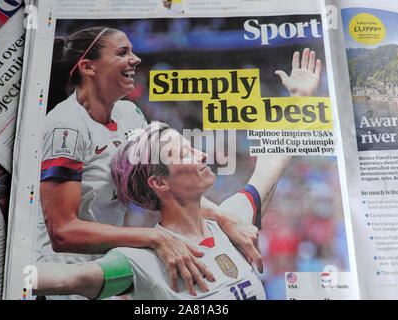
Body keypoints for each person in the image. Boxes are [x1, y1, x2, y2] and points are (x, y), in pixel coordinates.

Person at [38, 26, 272, 298]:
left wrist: (223, 216)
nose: (136, 59)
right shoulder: (65, 128)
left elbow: (167, 181)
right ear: (89, 68)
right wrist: (155, 237)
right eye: (123, 52)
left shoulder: (130, 114)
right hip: (63, 278)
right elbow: (62, 232)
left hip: (113, 269)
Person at [33, 122, 292, 299]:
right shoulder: (141, 260)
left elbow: (271, 164)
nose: (202, 155)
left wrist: (300, 95)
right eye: (184, 153)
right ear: (159, 182)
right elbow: (67, 279)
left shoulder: (232, 224)